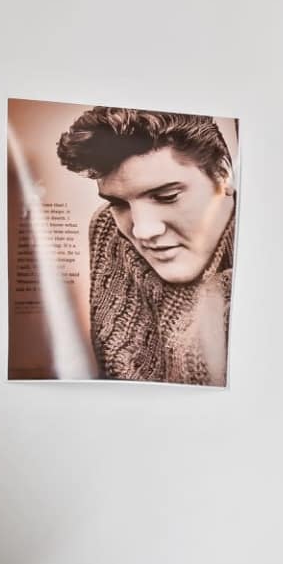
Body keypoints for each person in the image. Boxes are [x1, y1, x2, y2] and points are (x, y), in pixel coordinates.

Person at [60, 107, 236, 384]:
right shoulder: (108, 228)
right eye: (118, 204)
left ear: (223, 174)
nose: (143, 231)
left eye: (166, 196)